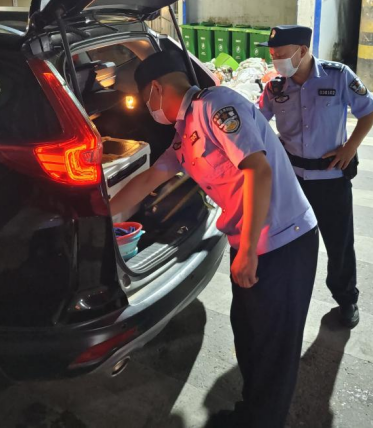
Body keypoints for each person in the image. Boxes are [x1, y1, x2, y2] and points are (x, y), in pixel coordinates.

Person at [110, 50, 319, 428]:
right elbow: (148, 180)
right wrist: (98, 214)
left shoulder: (217, 106)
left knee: (274, 349)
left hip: (282, 243)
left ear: (156, 88)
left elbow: (258, 170)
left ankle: (263, 421)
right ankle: (251, 414)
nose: (148, 108)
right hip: (252, 242)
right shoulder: (185, 129)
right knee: (251, 338)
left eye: (145, 100)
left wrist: (249, 252)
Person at [256, 25, 373, 329]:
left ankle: (346, 299)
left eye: (281, 54)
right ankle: (288, 299)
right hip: (292, 181)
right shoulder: (275, 88)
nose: (276, 61)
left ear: (302, 50)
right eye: (272, 55)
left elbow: (369, 109)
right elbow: (256, 122)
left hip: (330, 179)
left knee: (339, 244)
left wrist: (350, 147)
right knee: (289, 245)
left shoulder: (338, 76)